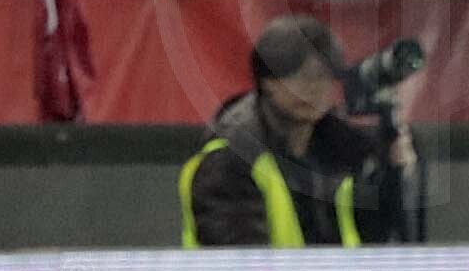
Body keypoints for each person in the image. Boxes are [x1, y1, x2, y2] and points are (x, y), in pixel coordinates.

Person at [178, 13, 419, 246]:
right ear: (268, 81)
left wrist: (392, 176)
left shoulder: (344, 151)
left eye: (325, 76)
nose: (315, 88)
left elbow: (374, 243)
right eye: (300, 76)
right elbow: (240, 268)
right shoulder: (228, 162)